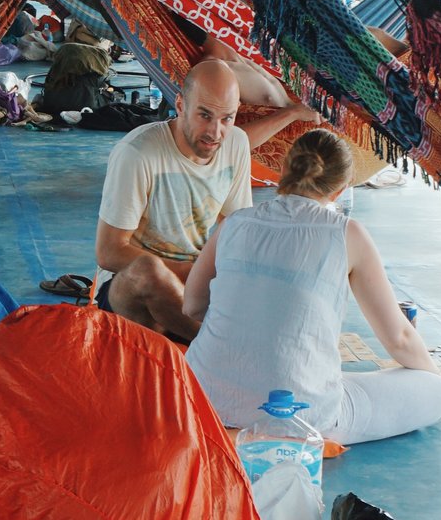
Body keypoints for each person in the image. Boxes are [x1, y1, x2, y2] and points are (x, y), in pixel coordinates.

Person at [183, 127, 441, 445]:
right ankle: (278, 434)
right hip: (299, 415)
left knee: (327, 375)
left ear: (282, 170)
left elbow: (192, 306)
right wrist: (435, 373)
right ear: (340, 191)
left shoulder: (233, 223)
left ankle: (238, 432)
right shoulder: (347, 234)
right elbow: (400, 339)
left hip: (200, 400)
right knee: (437, 392)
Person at [93, 59, 305, 343]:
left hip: (194, 286)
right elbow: (109, 252)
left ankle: (218, 337)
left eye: (226, 118)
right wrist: (192, 273)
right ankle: (225, 346)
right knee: (148, 271)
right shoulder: (138, 153)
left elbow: (237, 227)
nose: (215, 132)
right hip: (128, 290)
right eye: (204, 115)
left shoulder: (236, 144)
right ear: (180, 105)